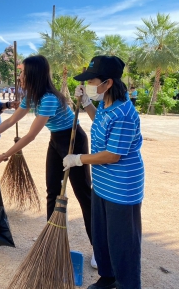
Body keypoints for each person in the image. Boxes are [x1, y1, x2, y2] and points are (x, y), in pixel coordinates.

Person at [0, 55, 93, 246]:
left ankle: (99, 249)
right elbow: (10, 120)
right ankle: (51, 241)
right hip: (56, 141)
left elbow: (30, 136)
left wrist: (4, 156)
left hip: (73, 141)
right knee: (52, 191)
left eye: (22, 72)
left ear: (33, 74)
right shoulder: (32, 96)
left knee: (83, 194)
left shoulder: (48, 99)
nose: (20, 76)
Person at [64, 55, 144, 289]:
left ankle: (127, 284)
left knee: (122, 242)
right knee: (102, 237)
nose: (88, 85)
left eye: (92, 81)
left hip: (121, 188)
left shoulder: (124, 114)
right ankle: (107, 278)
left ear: (108, 83)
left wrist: (79, 159)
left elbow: (112, 155)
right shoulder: (107, 105)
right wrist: (87, 103)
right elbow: (98, 120)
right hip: (102, 185)